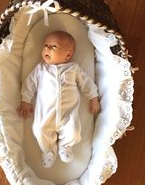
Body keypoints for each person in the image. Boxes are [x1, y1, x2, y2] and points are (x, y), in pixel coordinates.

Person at [17, 31, 100, 168]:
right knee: (38, 129)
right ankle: (48, 151)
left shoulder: (73, 69)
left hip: (68, 115)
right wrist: (25, 101)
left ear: (68, 54)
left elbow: (87, 83)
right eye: (45, 45)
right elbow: (29, 84)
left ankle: (65, 146)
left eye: (53, 46)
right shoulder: (41, 69)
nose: (47, 48)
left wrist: (93, 97)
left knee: (74, 130)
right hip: (46, 114)